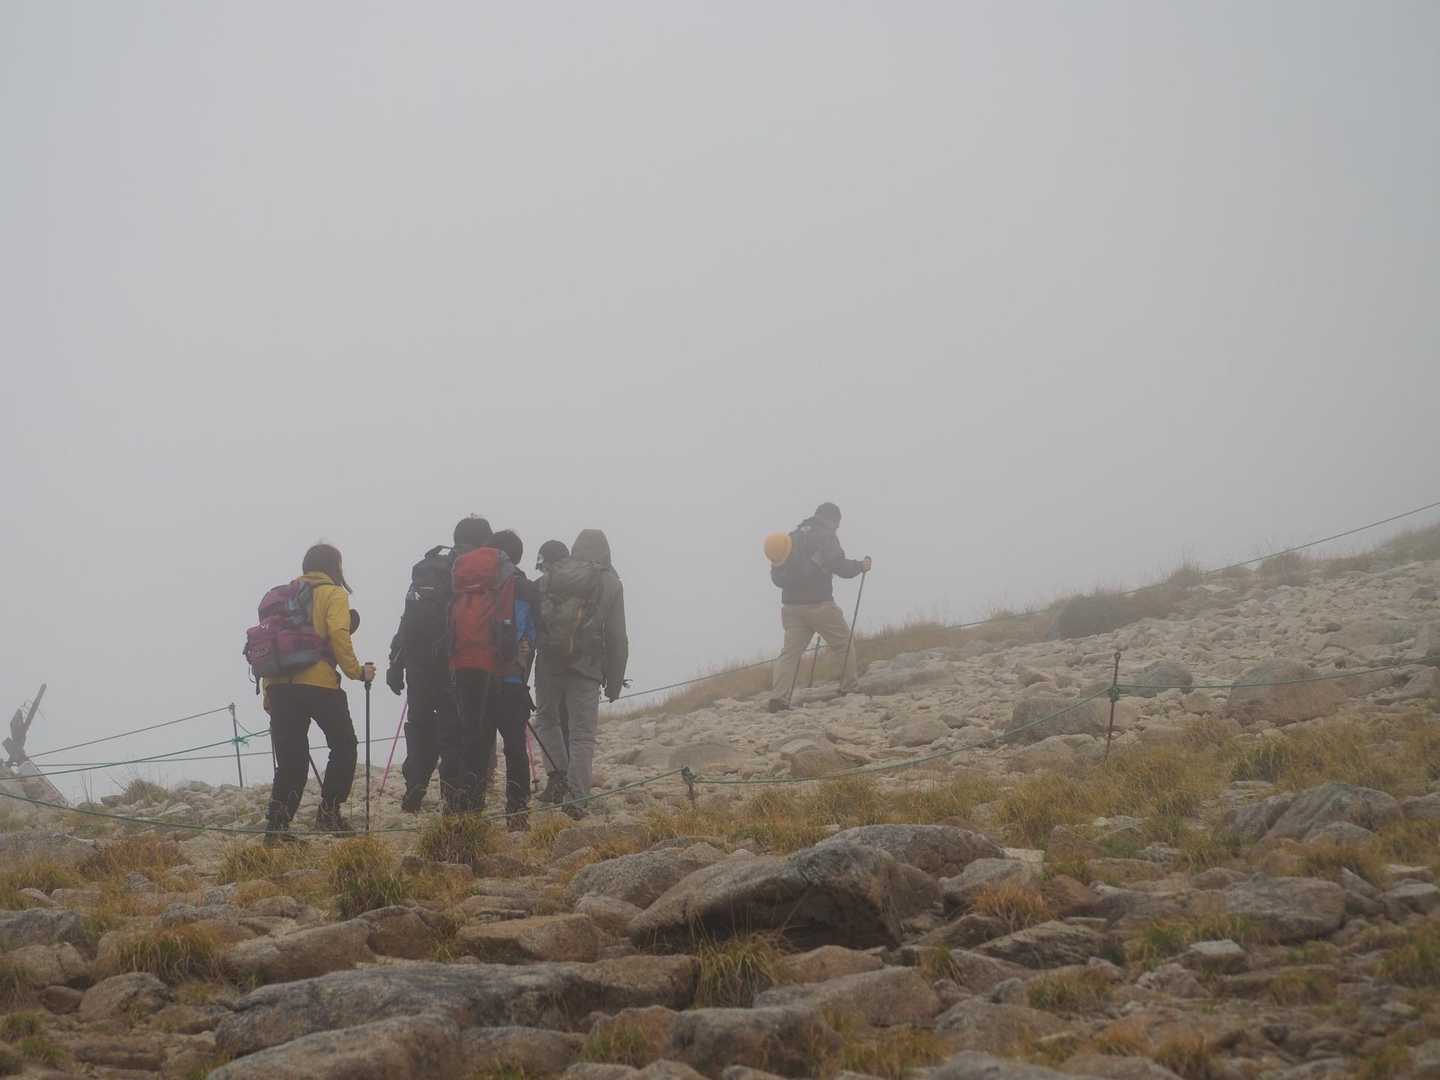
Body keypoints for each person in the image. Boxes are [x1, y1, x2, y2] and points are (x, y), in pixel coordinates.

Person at [263, 543, 375, 839]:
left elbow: (272, 645)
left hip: (280, 686)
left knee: (291, 759)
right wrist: (357, 672)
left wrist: (268, 691)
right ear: (334, 567)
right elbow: (338, 633)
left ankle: (276, 828)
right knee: (344, 746)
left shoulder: (282, 597)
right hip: (319, 683)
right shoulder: (333, 593)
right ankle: (329, 813)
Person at [386, 516, 491, 813]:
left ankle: (415, 785)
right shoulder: (471, 570)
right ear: (483, 541)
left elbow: (407, 618)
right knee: (453, 729)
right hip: (452, 663)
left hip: (417, 664)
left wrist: (396, 662)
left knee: (419, 724)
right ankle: (453, 797)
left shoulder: (428, 567)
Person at [533, 529, 628, 817]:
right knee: (582, 735)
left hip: (548, 663)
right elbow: (617, 637)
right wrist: (614, 682)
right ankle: (576, 798)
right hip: (587, 667)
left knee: (547, 721)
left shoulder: (549, 576)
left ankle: (558, 776)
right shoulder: (610, 582)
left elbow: (534, 624)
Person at [767, 502, 871, 712]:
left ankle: (778, 699)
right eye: (837, 525)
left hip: (791, 608)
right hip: (819, 604)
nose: (837, 529)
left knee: (789, 654)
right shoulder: (826, 535)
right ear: (833, 520)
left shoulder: (792, 536)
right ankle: (849, 688)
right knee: (843, 643)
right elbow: (840, 566)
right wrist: (861, 566)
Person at [488, 530, 537, 830]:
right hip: (510, 679)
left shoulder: (471, 582)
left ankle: (467, 810)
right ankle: (517, 814)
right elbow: (528, 632)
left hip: (474, 677)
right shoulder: (522, 586)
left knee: (475, 744)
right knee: (515, 747)